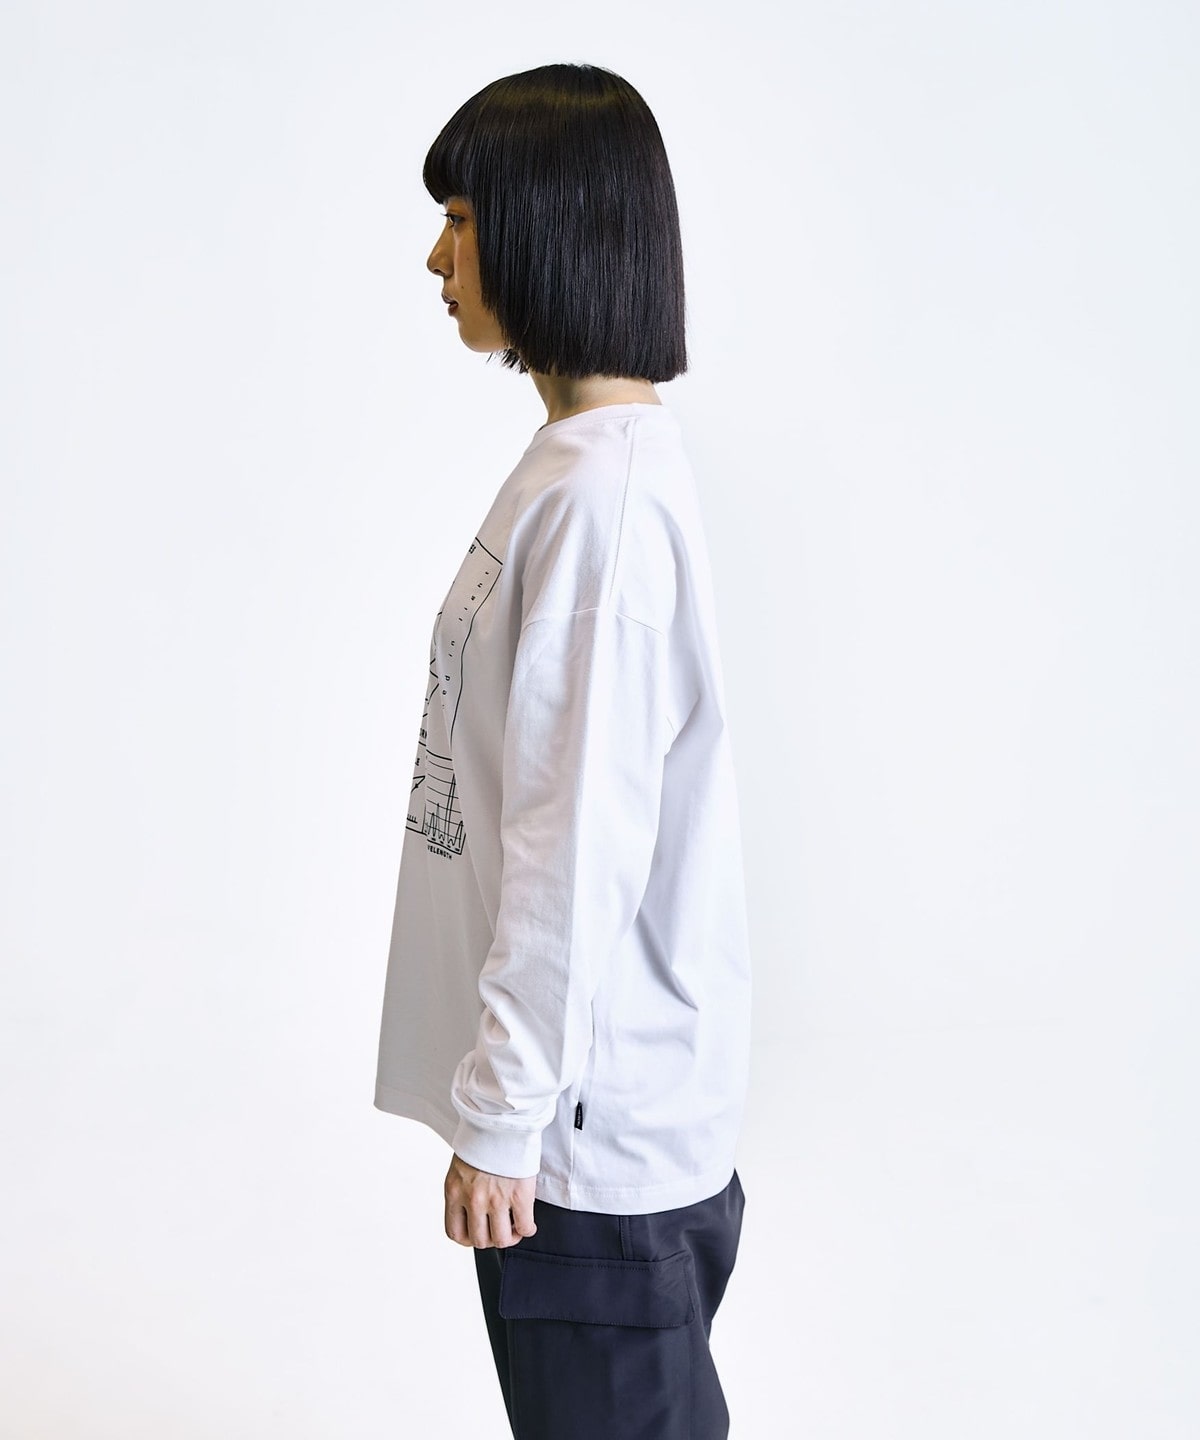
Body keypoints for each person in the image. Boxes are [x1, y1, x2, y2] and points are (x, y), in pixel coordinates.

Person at [373, 62, 753, 1440]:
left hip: (588, 1160)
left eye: (462, 219)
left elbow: (575, 838)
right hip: (579, 1142)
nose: (437, 257)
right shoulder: (577, 463)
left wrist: (504, 1113)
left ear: (550, 224)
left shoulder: (607, 503)